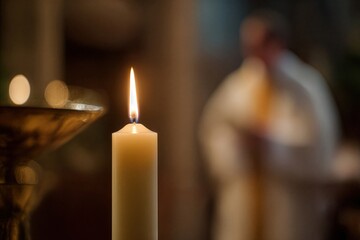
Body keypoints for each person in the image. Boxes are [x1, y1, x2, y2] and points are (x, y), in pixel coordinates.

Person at [199, 10, 339, 240]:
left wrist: (271, 143)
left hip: (287, 201)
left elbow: (319, 145)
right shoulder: (237, 85)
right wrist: (236, 147)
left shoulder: (306, 87)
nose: (252, 54)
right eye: (248, 46)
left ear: (277, 43)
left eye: (258, 45)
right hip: (245, 194)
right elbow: (213, 129)